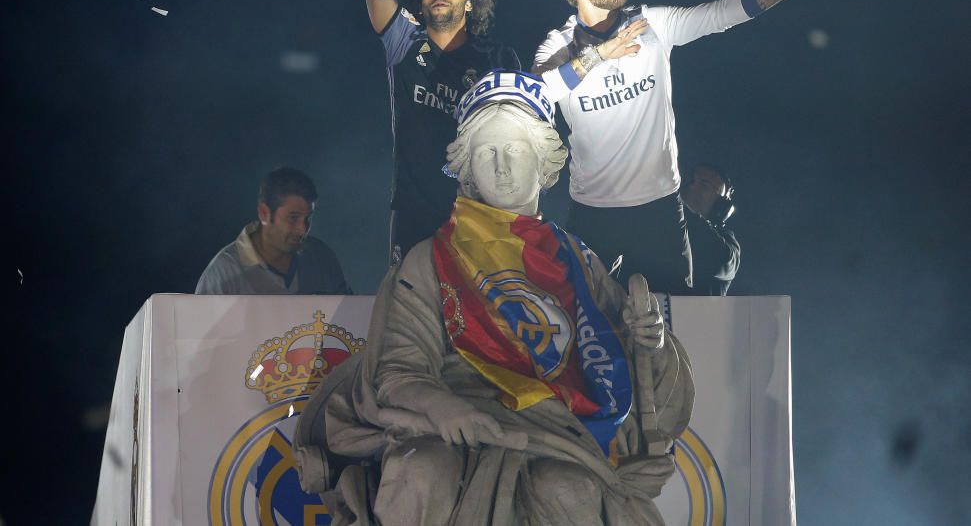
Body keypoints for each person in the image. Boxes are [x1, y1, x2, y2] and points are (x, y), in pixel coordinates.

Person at [293, 72, 694, 526]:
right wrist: (442, 406)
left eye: (517, 150)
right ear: (467, 169)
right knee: (422, 470)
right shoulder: (431, 260)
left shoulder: (580, 264)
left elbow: (625, 373)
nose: (502, 166)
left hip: (557, 432)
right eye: (487, 153)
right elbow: (399, 371)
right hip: (452, 424)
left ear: (542, 162)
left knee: (568, 489)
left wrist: (650, 342)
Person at [532, 0, 808, 293]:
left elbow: (716, 15)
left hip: (660, 212)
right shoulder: (558, 45)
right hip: (593, 212)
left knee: (670, 329)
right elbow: (538, 94)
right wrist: (600, 56)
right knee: (582, 323)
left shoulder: (651, 24)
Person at [319, 0, 521, 264]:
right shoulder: (404, 42)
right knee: (411, 322)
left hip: (480, 214)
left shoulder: (497, 58)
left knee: (477, 324)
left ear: (470, 3)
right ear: (420, 2)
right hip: (412, 215)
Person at [195, 167, 351, 295]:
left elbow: (350, 321)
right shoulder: (223, 272)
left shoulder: (321, 258)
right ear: (264, 213)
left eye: (308, 218)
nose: (302, 229)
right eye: (293, 218)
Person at [681, 163, 740, 295]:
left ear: (721, 206)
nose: (692, 187)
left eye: (704, 185)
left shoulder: (728, 242)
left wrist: (680, 210)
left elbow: (720, 261)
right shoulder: (662, 223)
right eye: (692, 181)